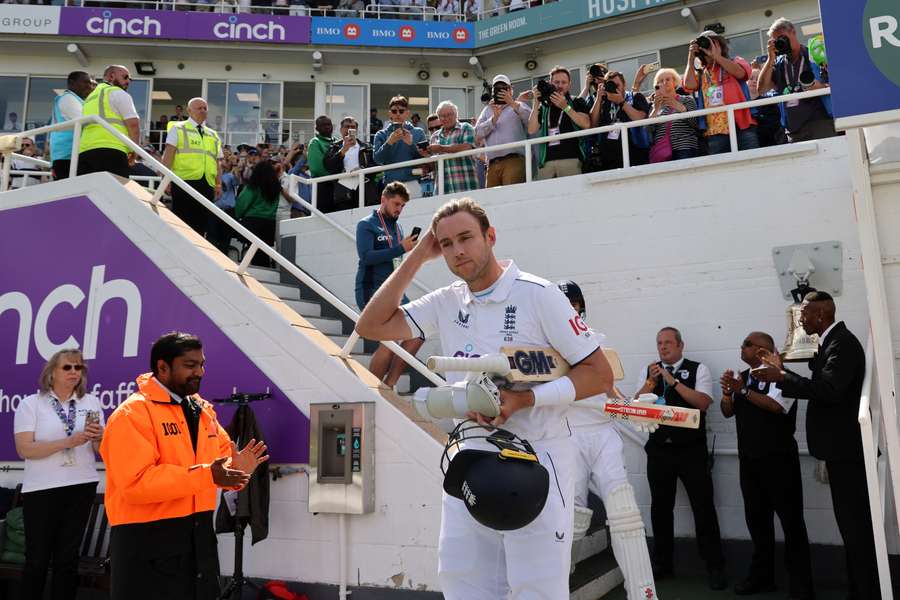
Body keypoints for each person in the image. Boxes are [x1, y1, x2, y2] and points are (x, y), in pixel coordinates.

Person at [356, 198, 615, 598]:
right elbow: (371, 325)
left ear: (490, 236)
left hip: (540, 457)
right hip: (473, 456)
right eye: (445, 244)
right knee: (464, 582)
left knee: (537, 588)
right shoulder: (446, 300)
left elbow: (599, 373)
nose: (458, 250)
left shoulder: (539, 294)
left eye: (466, 238)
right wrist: (415, 258)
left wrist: (523, 401)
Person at [100, 332, 268, 600]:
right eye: (190, 365)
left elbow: (220, 463)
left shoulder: (202, 410)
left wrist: (237, 471)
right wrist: (209, 474)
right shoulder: (132, 415)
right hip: (146, 542)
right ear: (162, 367)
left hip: (199, 539)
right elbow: (135, 485)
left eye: (201, 364)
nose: (199, 372)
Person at [754, 292, 879, 598]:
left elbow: (828, 390)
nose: (801, 320)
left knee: (856, 531)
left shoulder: (843, 344)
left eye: (805, 315)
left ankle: (867, 592)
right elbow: (821, 384)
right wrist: (782, 370)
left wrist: (781, 376)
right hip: (840, 452)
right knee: (851, 530)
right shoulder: (832, 343)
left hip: (847, 453)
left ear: (820, 315)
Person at [559, 281, 658, 600]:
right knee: (570, 517)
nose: (572, 309)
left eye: (575, 303)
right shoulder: (542, 346)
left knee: (625, 512)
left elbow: (609, 389)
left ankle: (644, 594)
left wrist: (633, 409)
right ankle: (559, 581)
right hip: (566, 434)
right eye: (565, 304)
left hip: (602, 432)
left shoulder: (594, 341)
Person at [720, 332, 814, 598]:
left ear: (762, 351)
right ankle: (762, 577)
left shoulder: (781, 374)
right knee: (758, 524)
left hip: (779, 462)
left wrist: (742, 390)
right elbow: (728, 411)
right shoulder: (743, 377)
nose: (742, 346)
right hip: (749, 463)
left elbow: (775, 406)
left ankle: (802, 587)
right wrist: (728, 393)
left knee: (792, 524)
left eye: (747, 344)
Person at [633, 326, 727, 589]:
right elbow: (636, 406)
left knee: (703, 508)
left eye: (668, 343)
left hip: (691, 451)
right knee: (660, 509)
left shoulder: (699, 369)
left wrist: (673, 381)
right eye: (659, 343)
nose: (663, 348)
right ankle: (663, 565)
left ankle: (715, 566)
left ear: (680, 346)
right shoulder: (649, 370)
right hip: (660, 451)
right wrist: (650, 382)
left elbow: (703, 402)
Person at [13, 349, 105, 600]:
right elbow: (25, 449)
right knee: (37, 560)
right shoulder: (31, 404)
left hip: (81, 485)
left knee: (68, 559)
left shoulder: (92, 402)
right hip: (42, 489)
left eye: (79, 368)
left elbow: (100, 451)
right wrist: (69, 441)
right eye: (68, 367)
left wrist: (100, 438)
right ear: (52, 372)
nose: (74, 372)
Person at [355, 182, 425, 387]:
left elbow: (396, 260)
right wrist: (400, 248)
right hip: (371, 289)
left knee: (419, 331)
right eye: (396, 204)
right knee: (389, 340)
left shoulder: (398, 227)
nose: (399, 209)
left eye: (403, 206)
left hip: (395, 291)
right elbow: (366, 257)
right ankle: (373, 388)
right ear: (383, 200)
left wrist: (408, 250)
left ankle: (390, 384)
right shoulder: (366, 224)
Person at [757, 18, 836, 143]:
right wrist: (770, 59)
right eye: (776, 41)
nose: (781, 43)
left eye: (783, 38)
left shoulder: (813, 55)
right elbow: (761, 89)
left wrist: (819, 87)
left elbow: (834, 85)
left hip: (820, 124)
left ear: (793, 32)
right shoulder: (778, 64)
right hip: (793, 130)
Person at [683, 31, 759, 154]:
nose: (708, 47)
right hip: (715, 131)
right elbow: (688, 84)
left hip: (741, 124)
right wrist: (691, 57)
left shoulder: (735, 60)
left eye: (712, 42)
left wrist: (717, 57)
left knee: (752, 163)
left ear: (720, 44)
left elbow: (741, 73)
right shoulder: (702, 72)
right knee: (722, 170)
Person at [162, 97, 223, 238]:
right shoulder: (178, 128)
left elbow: (217, 161)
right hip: (184, 182)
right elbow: (168, 155)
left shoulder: (213, 135)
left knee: (201, 225)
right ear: (189, 111)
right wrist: (165, 178)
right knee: (182, 223)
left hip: (207, 183)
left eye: (205, 108)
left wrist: (218, 184)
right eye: (199, 108)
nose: (202, 110)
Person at [77, 64, 142, 178]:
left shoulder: (89, 98)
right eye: (125, 77)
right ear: (111, 76)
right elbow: (133, 125)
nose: (128, 81)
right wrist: (134, 151)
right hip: (112, 151)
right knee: (114, 193)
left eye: (129, 79)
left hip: (85, 151)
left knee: (89, 193)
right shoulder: (118, 93)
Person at [528, 66, 591, 179]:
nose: (560, 85)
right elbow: (531, 129)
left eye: (564, 82)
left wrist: (565, 107)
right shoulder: (544, 106)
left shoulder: (576, 101)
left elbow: (586, 124)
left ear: (569, 84)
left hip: (570, 158)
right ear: (550, 83)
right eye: (556, 82)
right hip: (546, 161)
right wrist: (536, 102)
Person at [474, 74, 531, 187]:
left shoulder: (519, 105)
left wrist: (512, 103)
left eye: (504, 88)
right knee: (492, 202)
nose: (500, 91)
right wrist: (493, 119)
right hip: (491, 164)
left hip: (514, 160)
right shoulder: (487, 110)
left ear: (510, 90)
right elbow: (476, 134)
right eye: (497, 89)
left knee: (511, 197)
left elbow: (531, 123)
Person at [589, 70, 651, 169]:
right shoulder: (603, 102)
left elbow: (640, 119)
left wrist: (622, 102)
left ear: (624, 84)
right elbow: (593, 124)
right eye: (611, 85)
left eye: (617, 85)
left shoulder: (635, 97)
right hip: (608, 160)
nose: (614, 88)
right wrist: (598, 99)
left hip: (634, 156)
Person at [373, 95, 428, 198]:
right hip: (390, 184)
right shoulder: (381, 134)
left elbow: (423, 161)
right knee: (391, 214)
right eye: (394, 111)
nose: (398, 114)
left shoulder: (418, 132)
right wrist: (389, 142)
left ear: (407, 113)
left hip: (412, 182)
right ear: (390, 113)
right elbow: (377, 159)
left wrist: (411, 145)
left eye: (401, 111)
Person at [422, 101, 479, 195]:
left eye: (449, 114)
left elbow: (466, 147)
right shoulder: (434, 136)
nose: (446, 118)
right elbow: (433, 167)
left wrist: (441, 148)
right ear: (439, 118)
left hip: (465, 184)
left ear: (456, 114)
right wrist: (426, 155)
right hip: (443, 188)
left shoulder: (466, 127)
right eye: (442, 116)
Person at [235, 159, 284, 267]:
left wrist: (238, 215)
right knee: (263, 253)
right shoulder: (275, 188)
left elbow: (242, 203)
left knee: (254, 253)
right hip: (269, 223)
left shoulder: (253, 186)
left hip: (253, 222)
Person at [324, 115, 377, 210]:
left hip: (364, 189)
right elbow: (329, 167)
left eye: (352, 127)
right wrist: (343, 150)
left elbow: (376, 165)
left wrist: (362, 170)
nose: (349, 129)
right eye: (347, 126)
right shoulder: (334, 147)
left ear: (356, 130)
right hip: (343, 191)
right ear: (341, 129)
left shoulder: (367, 147)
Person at [49, 71, 95, 180]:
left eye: (91, 83)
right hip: (67, 155)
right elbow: (85, 122)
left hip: (69, 155)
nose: (90, 86)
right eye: (86, 82)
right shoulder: (68, 98)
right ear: (72, 83)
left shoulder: (78, 100)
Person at [648, 68, 699, 161]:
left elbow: (695, 123)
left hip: (684, 148)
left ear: (675, 82)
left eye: (667, 79)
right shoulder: (655, 105)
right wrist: (655, 110)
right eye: (660, 81)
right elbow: (649, 131)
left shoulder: (687, 100)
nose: (664, 82)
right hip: (662, 151)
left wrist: (677, 105)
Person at [308, 115, 340, 212]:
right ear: (317, 128)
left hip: (338, 186)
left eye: (328, 124)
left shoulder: (337, 141)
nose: (327, 127)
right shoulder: (315, 142)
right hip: (322, 186)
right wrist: (338, 175)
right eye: (323, 125)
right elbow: (317, 169)